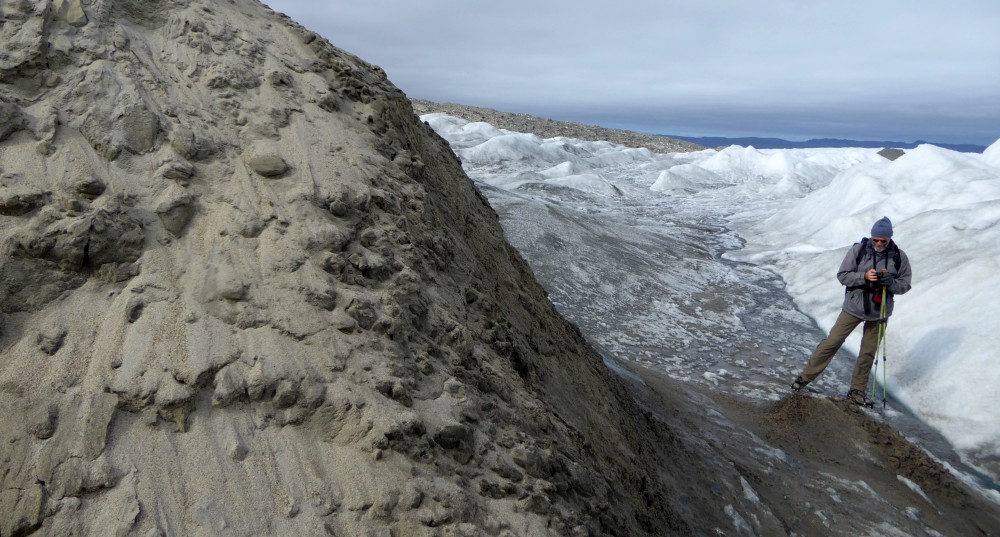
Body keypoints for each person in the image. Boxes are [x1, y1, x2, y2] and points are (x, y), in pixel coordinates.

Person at [790, 216, 912, 406]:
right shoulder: (858, 250)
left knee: (867, 353)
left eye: (883, 240)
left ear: (889, 239)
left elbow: (905, 285)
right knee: (832, 342)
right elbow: (843, 276)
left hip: (878, 312)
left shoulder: (898, 256)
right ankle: (804, 378)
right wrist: (864, 277)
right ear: (872, 237)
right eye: (876, 239)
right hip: (854, 307)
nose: (879, 243)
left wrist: (892, 283)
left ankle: (857, 391)